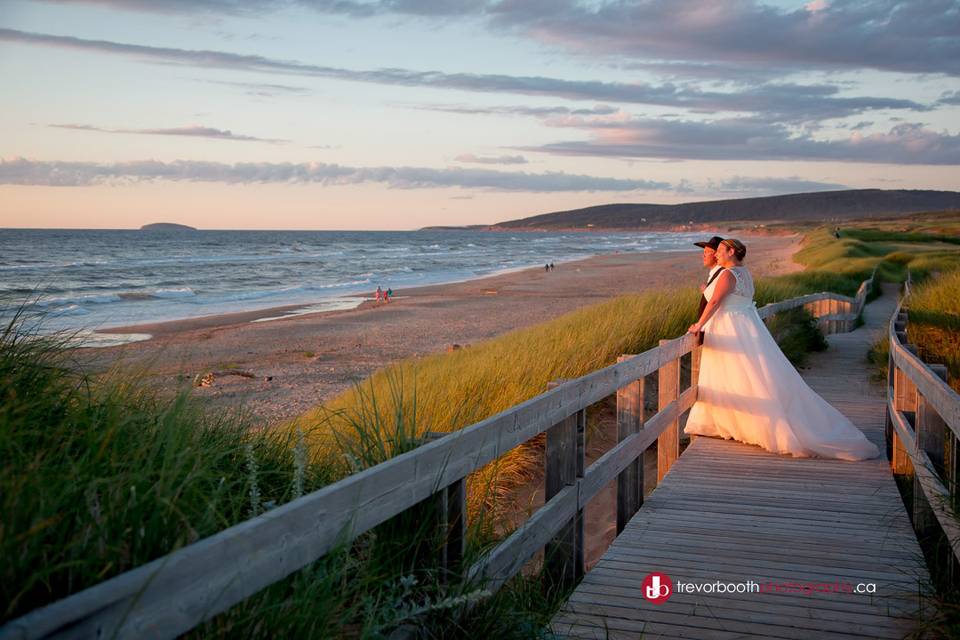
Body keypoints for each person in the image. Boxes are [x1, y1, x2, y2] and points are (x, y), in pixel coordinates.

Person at [684, 238, 880, 461]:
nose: (716, 255)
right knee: (742, 374)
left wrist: (699, 324)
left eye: (719, 251)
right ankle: (733, 423)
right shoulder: (743, 273)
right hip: (743, 325)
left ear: (731, 251)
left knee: (738, 374)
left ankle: (755, 424)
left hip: (731, 327)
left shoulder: (728, 274)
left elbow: (715, 301)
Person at [692, 236, 726, 346]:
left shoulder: (723, 274)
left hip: (719, 334)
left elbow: (715, 302)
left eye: (707, 252)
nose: (703, 255)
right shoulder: (716, 273)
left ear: (717, 254)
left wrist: (699, 325)